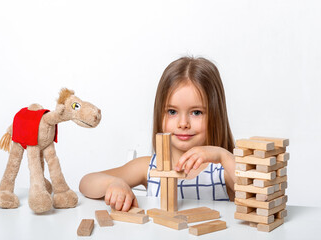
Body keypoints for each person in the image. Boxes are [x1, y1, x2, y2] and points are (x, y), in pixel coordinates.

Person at [79, 56, 236, 212]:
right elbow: (87, 182)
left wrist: (224, 156)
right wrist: (113, 184)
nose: (183, 123)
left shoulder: (223, 171)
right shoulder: (148, 167)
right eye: (172, 111)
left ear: (215, 115)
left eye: (196, 112)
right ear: (160, 113)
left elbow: (258, 197)